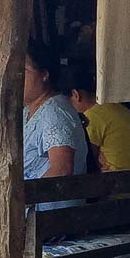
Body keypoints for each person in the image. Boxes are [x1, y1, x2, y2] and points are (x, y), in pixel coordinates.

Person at [23, 43, 87, 209]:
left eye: (24, 71)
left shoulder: (54, 112)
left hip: (49, 217)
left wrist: (21, 198)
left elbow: (62, 169)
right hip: (31, 211)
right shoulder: (27, 112)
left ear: (44, 74)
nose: (16, 77)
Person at [69, 78, 130, 172]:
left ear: (76, 95)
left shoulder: (93, 115)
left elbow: (87, 159)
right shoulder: (114, 107)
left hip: (118, 178)